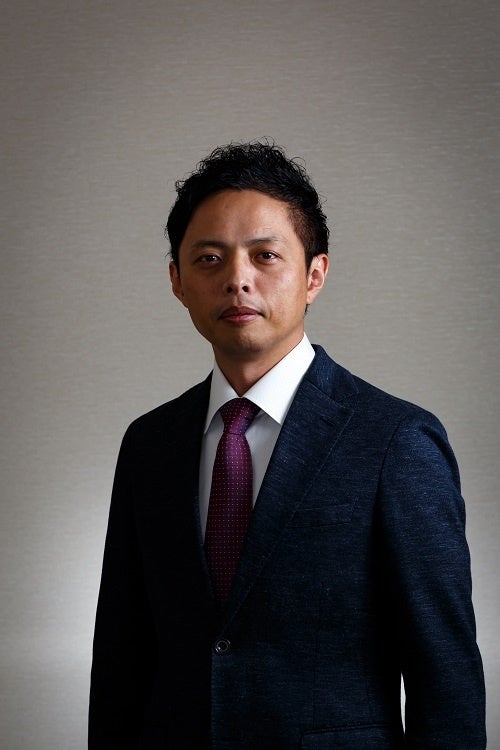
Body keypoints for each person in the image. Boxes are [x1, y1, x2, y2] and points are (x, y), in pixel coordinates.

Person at [88, 142, 486, 749]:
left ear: (314, 275)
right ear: (177, 282)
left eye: (265, 256)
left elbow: (446, 680)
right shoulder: (150, 444)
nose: (237, 279)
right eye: (209, 258)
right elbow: (122, 659)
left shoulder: (395, 441)